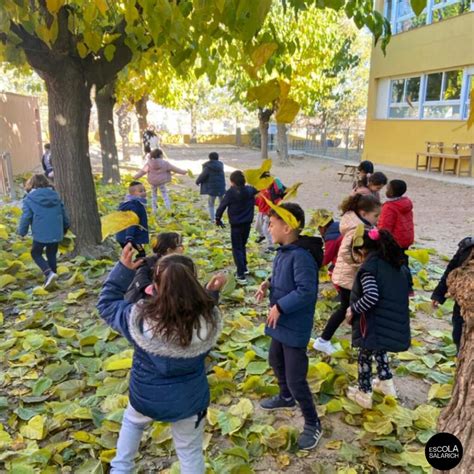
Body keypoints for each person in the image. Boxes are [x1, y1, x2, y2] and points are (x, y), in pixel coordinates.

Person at [97, 246, 227, 473]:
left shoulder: (138, 318)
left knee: (131, 424)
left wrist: (122, 271)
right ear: (193, 282)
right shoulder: (207, 319)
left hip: (145, 396)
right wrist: (212, 294)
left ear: (154, 286)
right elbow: (201, 310)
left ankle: (121, 469)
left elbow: (106, 305)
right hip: (189, 400)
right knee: (190, 453)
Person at [255, 203, 322, 450]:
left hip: (293, 324)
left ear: (287, 227)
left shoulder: (302, 256)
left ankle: (313, 422)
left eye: (271, 224)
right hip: (281, 322)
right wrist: (267, 284)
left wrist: (280, 306)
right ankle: (285, 397)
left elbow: (306, 291)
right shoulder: (285, 250)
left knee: (296, 378)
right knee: (275, 359)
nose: (268, 227)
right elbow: (282, 276)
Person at [345, 228, 411, 408]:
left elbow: (371, 296)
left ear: (363, 250)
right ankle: (386, 383)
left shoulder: (369, 268)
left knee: (364, 356)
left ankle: (364, 393)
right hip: (390, 320)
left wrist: (353, 310)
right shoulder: (396, 264)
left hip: (373, 322)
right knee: (380, 349)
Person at [313, 194, 381, 355]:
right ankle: (325, 341)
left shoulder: (360, 226)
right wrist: (364, 262)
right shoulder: (357, 229)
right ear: (364, 213)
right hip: (349, 277)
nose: (377, 219)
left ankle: (326, 340)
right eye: (376, 215)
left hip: (350, 276)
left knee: (349, 309)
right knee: (350, 309)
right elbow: (346, 254)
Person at [17, 174, 69, 289]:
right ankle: (52, 280)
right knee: (51, 254)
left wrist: (22, 232)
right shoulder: (55, 195)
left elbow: (26, 217)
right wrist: (65, 227)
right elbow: (63, 212)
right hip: (56, 231)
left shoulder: (29, 199)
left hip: (40, 233)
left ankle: (49, 273)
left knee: (35, 253)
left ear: (32, 184)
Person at [215, 170, 258, 284]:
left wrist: (217, 218)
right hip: (247, 223)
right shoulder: (250, 190)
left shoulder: (231, 192)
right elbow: (259, 187)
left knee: (237, 248)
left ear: (232, 182)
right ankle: (244, 267)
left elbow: (222, 206)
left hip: (236, 225)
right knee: (242, 245)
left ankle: (240, 274)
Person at [432, 237, 473, 352]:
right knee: (459, 338)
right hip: (463, 308)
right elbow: (451, 270)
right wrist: (438, 294)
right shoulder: (468, 247)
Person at [125, 232, 184, 303]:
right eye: (180, 245)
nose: (182, 248)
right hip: (140, 301)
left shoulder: (178, 264)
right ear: (169, 250)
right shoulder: (148, 262)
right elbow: (140, 277)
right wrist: (151, 290)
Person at [378, 179, 414, 265]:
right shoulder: (406, 203)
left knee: (393, 261)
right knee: (404, 260)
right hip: (406, 238)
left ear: (391, 192)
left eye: (388, 189)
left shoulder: (389, 207)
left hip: (394, 241)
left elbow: (385, 227)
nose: (386, 191)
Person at [116, 181, 149, 258]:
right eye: (141, 191)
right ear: (132, 194)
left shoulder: (131, 203)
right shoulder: (135, 206)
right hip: (131, 237)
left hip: (125, 236)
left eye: (144, 190)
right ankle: (135, 268)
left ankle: (130, 267)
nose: (144, 193)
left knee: (129, 254)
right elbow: (131, 223)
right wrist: (129, 237)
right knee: (141, 254)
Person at [254, 177, 286, 251]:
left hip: (269, 212)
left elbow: (277, 201)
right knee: (257, 227)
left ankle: (271, 245)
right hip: (261, 211)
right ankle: (262, 236)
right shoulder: (260, 188)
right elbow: (258, 200)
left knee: (265, 229)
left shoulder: (272, 189)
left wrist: (273, 212)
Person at [195, 152, 226, 221]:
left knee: (211, 203)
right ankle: (220, 218)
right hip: (221, 188)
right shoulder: (221, 166)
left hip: (212, 189)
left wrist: (197, 181)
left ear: (209, 158)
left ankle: (213, 219)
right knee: (221, 204)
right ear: (218, 158)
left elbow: (202, 176)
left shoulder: (208, 167)